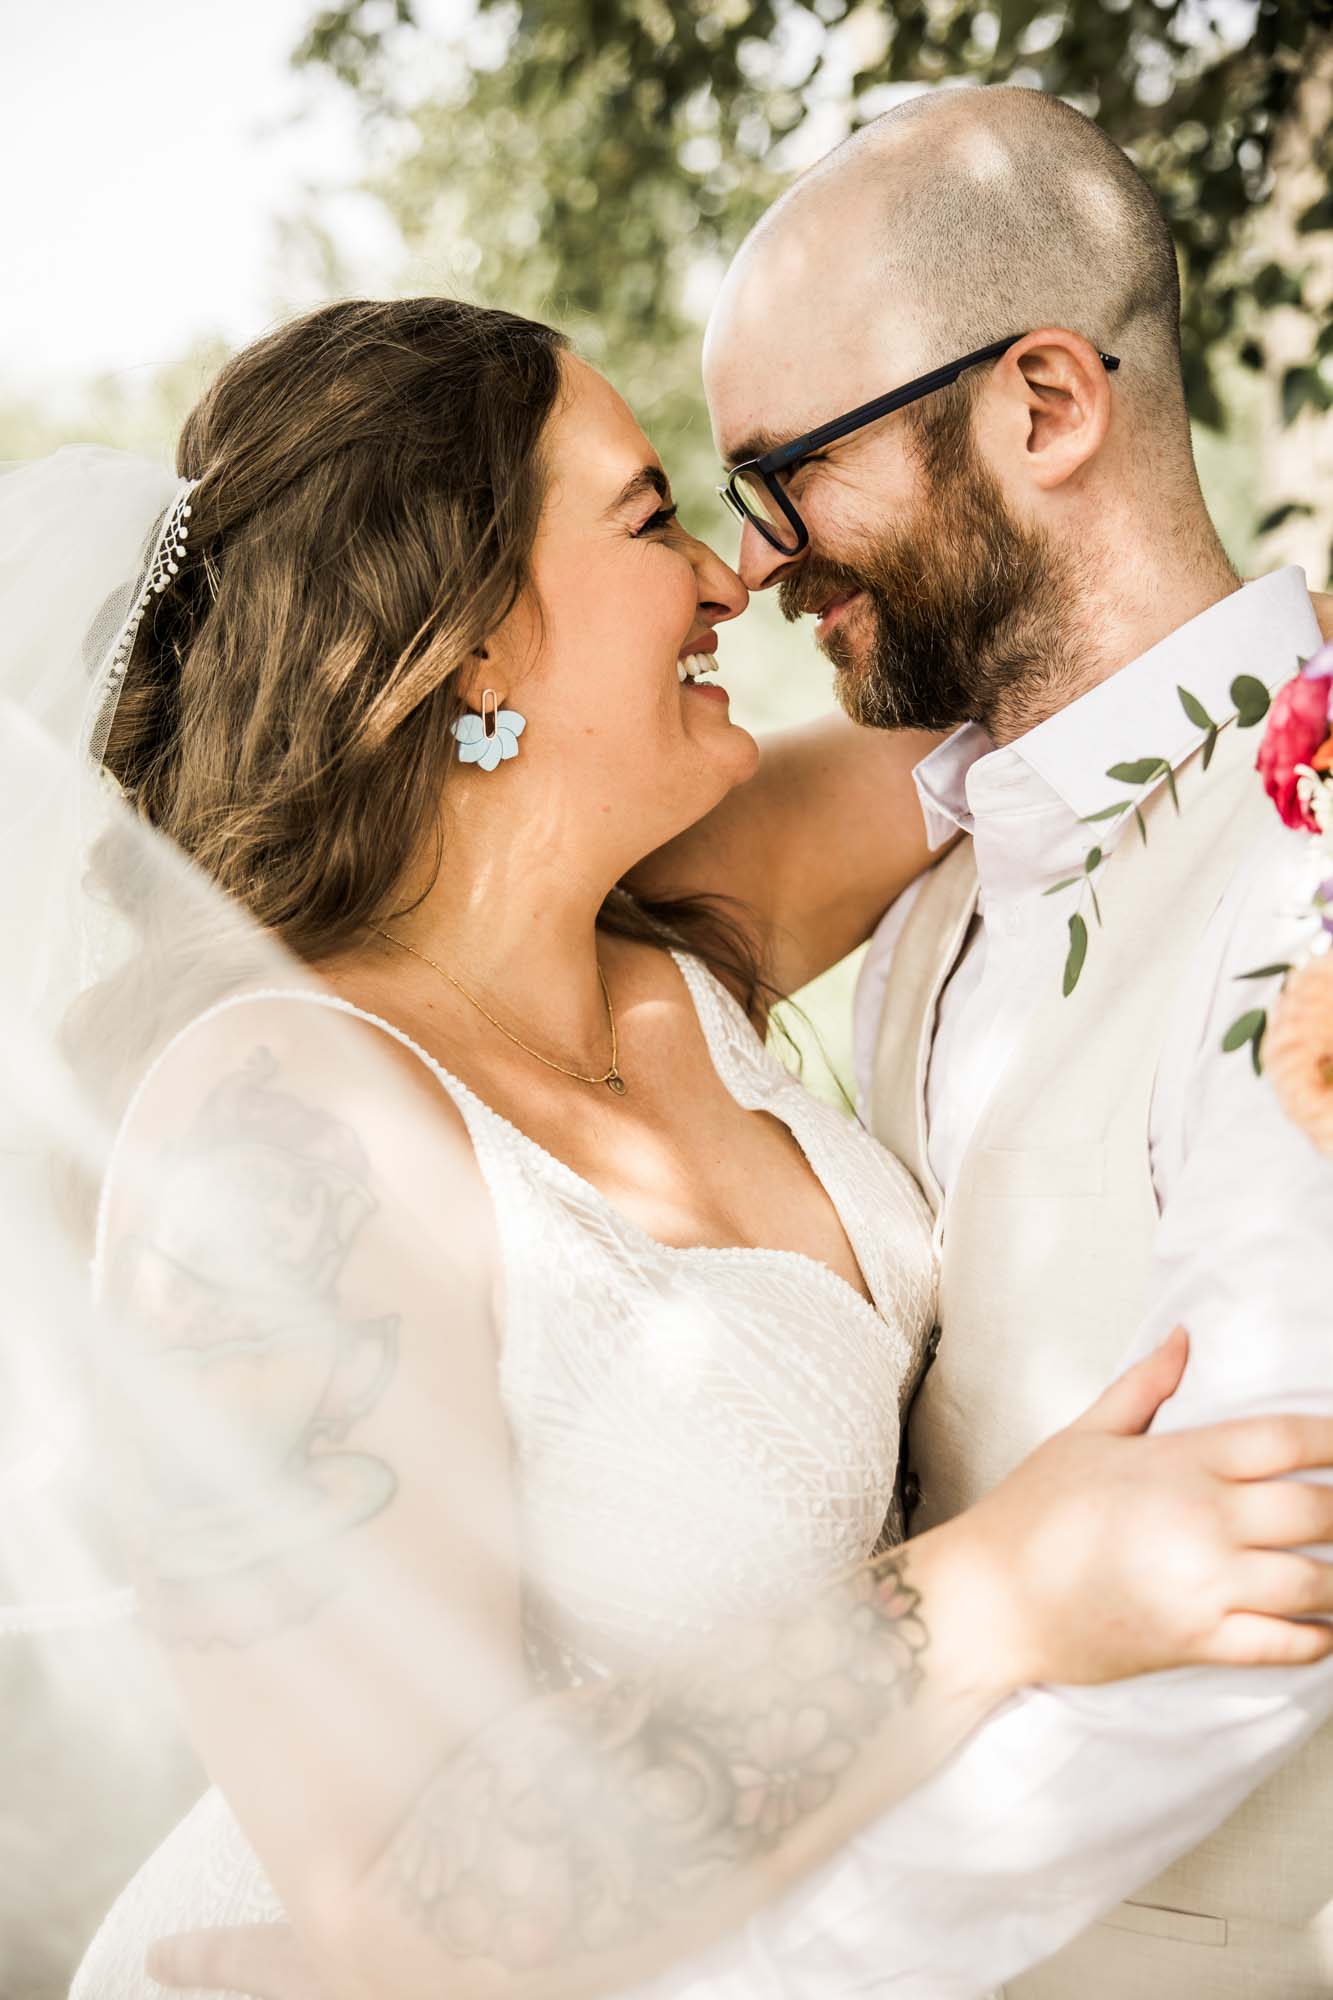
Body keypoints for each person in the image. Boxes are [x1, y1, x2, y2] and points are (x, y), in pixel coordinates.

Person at [28, 295, 1329, 2000]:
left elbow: (1117, 694)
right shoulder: (271, 1137)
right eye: (651, 518)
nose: (736, 576)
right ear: (469, 635)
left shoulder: (679, 914)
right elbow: (391, 1917)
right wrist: (994, 1597)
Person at [625, 82, 1333, 1996]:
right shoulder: (928, 895)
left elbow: (1270, 1572)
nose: (754, 559)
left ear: (1042, 405)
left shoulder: (1314, 862)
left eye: (793, 470)